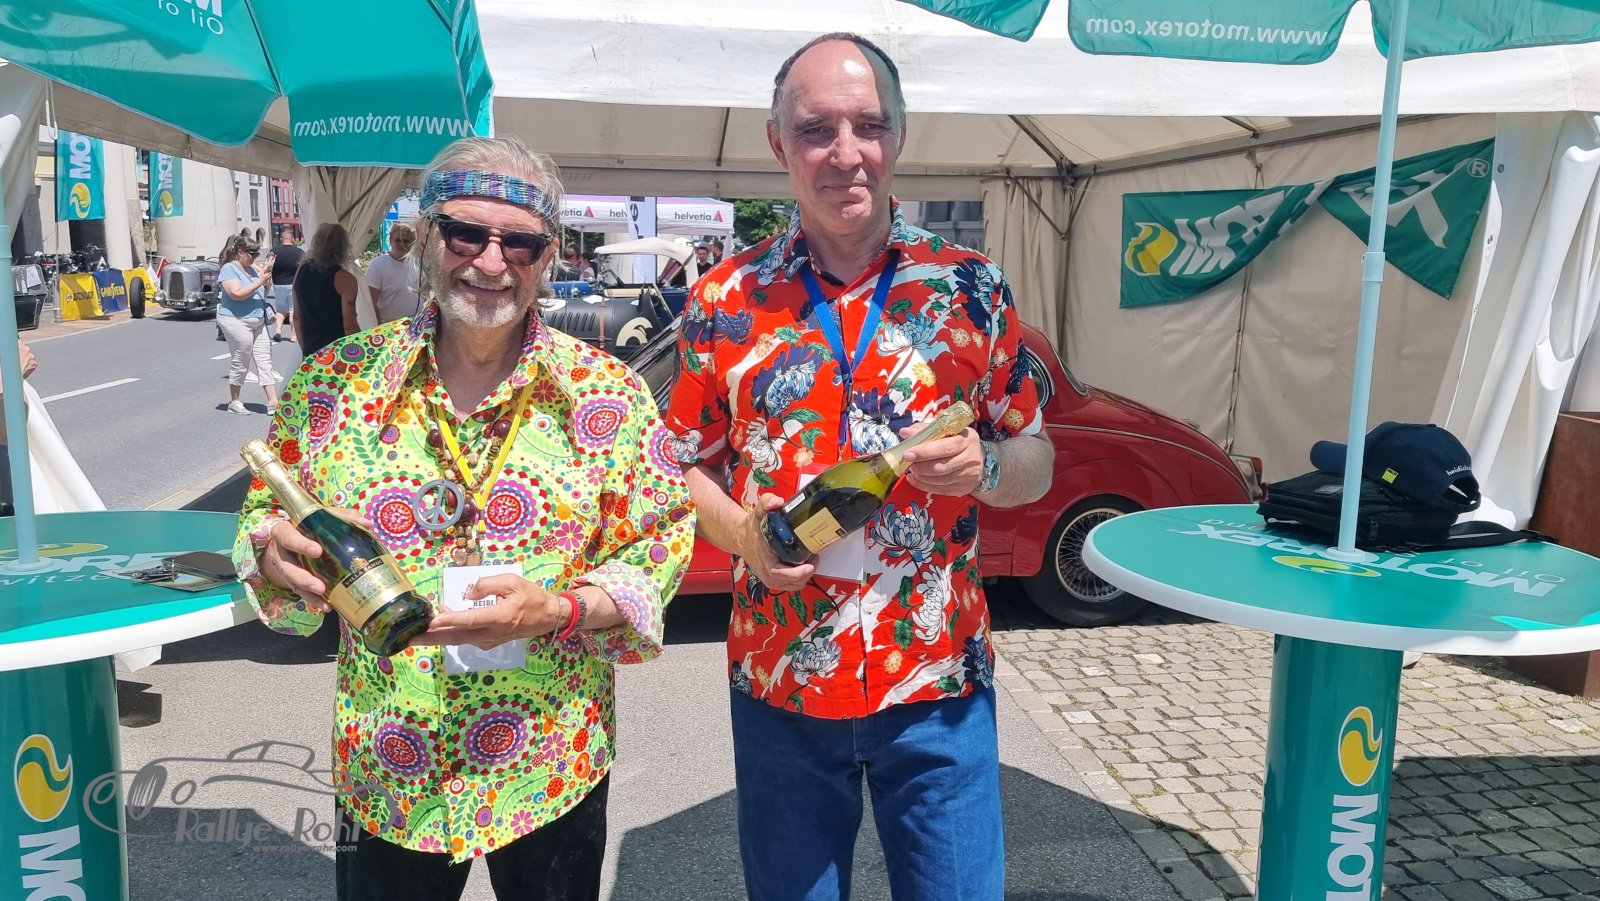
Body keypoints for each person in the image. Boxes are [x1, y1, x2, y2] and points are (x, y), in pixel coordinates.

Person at [233, 135, 693, 901]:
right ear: (425, 239)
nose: (490, 260)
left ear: (548, 257)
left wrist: (561, 610)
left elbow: (660, 539)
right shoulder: (331, 387)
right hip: (390, 762)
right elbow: (262, 509)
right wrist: (270, 552)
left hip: (550, 757)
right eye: (466, 234)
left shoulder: (607, 395)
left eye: (519, 242)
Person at [663, 33, 1054, 901]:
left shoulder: (971, 288)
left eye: (869, 125)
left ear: (899, 136)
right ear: (778, 143)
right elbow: (678, 467)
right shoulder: (724, 299)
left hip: (939, 684)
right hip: (782, 682)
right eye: (816, 129)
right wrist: (743, 535)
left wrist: (988, 466)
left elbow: (1038, 455)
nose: (846, 153)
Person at [217, 235, 282, 415]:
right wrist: (260, 280)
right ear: (239, 252)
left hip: (258, 320)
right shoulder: (229, 269)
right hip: (236, 320)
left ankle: (273, 402)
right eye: (251, 253)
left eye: (256, 253)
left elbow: (263, 290)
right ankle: (234, 401)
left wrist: (266, 275)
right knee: (241, 360)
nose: (254, 257)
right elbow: (237, 294)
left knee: (264, 360)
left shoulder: (252, 269)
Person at [292, 223, 360, 355]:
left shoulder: (301, 271)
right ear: (344, 247)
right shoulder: (346, 279)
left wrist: (305, 351)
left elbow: (296, 317)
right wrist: (359, 352)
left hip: (311, 350)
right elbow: (349, 324)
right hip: (338, 354)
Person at [366, 222, 423, 324]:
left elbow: (426, 296)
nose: (401, 244)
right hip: (388, 327)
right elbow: (370, 302)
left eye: (406, 241)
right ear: (390, 241)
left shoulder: (420, 264)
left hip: (417, 325)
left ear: (413, 243)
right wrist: (378, 327)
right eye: (397, 240)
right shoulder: (378, 265)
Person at [271, 226, 305, 342]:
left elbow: (268, 267)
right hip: (293, 285)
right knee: (292, 310)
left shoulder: (274, 251)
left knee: (280, 309)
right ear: (292, 239)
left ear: (281, 239)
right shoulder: (300, 252)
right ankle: (293, 336)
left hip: (278, 284)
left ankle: (278, 332)